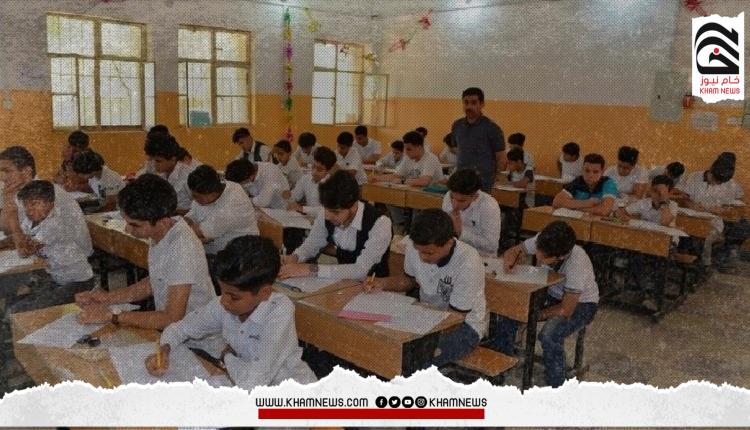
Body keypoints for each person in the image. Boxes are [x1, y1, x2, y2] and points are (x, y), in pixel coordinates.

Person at [145, 235, 317, 389]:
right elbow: (180, 328)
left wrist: (225, 356)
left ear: (264, 293)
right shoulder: (225, 304)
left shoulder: (279, 311)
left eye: (234, 297)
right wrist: (164, 350)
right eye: (222, 291)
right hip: (240, 382)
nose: (224, 301)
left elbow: (253, 383)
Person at [76, 174, 215, 330]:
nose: (127, 229)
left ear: (163, 221)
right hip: (176, 332)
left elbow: (172, 318)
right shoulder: (164, 232)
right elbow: (154, 282)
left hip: (197, 338)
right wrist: (107, 298)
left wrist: (112, 316)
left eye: (135, 225)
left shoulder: (182, 248)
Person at [363, 209, 486, 366]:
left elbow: (454, 319)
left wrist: (414, 331)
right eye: (419, 251)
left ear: (449, 242)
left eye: (429, 253)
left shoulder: (468, 263)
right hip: (426, 315)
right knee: (383, 345)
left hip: (464, 326)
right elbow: (409, 281)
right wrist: (382, 283)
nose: (422, 257)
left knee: (414, 358)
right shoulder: (415, 245)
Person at [492, 221, 598, 388]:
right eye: (538, 251)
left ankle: (557, 385)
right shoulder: (544, 240)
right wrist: (510, 260)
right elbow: (514, 251)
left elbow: (566, 309)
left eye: (545, 257)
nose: (539, 257)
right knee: (510, 312)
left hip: (582, 304)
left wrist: (534, 316)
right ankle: (502, 365)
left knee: (549, 335)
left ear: (561, 256)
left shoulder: (577, 262)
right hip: (551, 293)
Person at [279, 170, 391, 280]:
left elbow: (361, 270)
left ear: (353, 205)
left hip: (372, 286)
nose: (328, 216)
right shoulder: (328, 212)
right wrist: (296, 257)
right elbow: (312, 243)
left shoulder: (380, 223)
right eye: (326, 209)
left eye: (336, 212)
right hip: (342, 282)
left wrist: (311, 269)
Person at [10, 180, 94, 311]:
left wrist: (16, 230)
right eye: (25, 204)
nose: (29, 210)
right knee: (16, 302)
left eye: (35, 204)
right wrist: (19, 238)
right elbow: (19, 241)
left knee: (27, 309)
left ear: (51, 204)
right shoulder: (29, 222)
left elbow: (25, 251)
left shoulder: (54, 225)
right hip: (56, 277)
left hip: (78, 282)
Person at [185, 165, 259, 255]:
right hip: (213, 251)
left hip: (238, 255)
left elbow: (200, 233)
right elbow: (191, 216)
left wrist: (192, 230)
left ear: (211, 192)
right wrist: (188, 223)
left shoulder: (234, 202)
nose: (193, 199)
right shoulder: (207, 194)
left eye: (196, 196)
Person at [452, 87, 506, 192]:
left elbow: (501, 158)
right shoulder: (457, 125)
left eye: (473, 103)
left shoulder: (492, 128)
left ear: (482, 104)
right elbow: (457, 149)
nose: (469, 106)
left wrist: (497, 180)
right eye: (466, 103)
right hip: (462, 181)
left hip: (484, 183)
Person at [442, 169, 501, 257]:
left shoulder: (489, 206)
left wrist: (461, 232)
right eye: (452, 198)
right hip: (454, 252)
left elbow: (491, 245)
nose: (455, 205)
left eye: (461, 201)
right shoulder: (448, 195)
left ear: (474, 196)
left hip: (481, 256)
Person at [144, 132, 196, 214]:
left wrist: (174, 212)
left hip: (183, 218)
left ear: (173, 159)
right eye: (151, 160)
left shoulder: (188, 176)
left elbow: (200, 208)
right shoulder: (158, 174)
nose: (154, 164)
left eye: (158, 161)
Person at [552, 153, 618, 216]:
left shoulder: (609, 183)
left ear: (602, 172)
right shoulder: (578, 181)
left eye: (595, 172)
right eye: (587, 171)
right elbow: (556, 202)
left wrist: (573, 207)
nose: (590, 175)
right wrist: (588, 203)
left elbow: (604, 211)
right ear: (582, 169)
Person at [371, 131, 443, 187]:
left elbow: (424, 181)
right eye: (405, 148)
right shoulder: (408, 158)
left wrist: (402, 181)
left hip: (432, 196)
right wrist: (377, 178)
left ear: (419, 147)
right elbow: (396, 176)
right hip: (414, 193)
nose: (405, 152)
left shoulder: (431, 158)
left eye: (409, 149)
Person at [285, 146, 338, 216]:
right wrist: (288, 195)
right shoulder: (306, 178)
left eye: (320, 169)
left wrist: (302, 208)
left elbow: (326, 210)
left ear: (328, 171)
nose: (314, 172)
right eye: (313, 166)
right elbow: (296, 196)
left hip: (325, 220)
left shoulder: (332, 185)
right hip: (309, 218)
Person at [224, 159, 289, 209]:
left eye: (242, 183)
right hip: (265, 209)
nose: (242, 185)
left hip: (282, 211)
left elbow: (263, 201)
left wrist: (243, 201)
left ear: (249, 177)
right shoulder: (248, 172)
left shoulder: (270, 171)